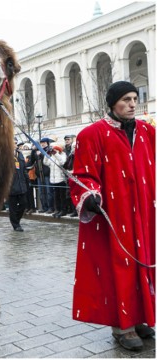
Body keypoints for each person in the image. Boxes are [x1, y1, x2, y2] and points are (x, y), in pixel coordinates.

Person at [69, 81, 155, 351]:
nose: (132, 104)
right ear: (112, 103)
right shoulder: (91, 134)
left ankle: (141, 318)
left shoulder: (148, 132)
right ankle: (122, 326)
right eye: (126, 99)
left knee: (144, 263)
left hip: (145, 212)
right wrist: (89, 194)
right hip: (115, 217)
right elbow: (83, 175)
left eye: (134, 98)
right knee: (121, 268)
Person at [8, 142, 28, 231]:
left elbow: (24, 169)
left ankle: (17, 220)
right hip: (11, 186)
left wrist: (27, 180)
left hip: (21, 184)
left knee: (23, 204)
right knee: (12, 207)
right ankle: (15, 225)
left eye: (15, 143)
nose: (15, 144)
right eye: (13, 143)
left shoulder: (20, 155)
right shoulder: (6, 155)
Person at [43, 143, 67, 218]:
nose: (54, 151)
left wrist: (55, 154)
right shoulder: (52, 157)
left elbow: (62, 162)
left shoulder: (63, 155)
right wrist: (47, 154)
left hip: (61, 179)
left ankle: (63, 210)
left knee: (62, 196)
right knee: (56, 196)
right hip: (54, 180)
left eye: (55, 149)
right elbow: (45, 162)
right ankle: (58, 209)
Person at [63, 134, 78, 216]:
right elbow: (66, 166)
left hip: (78, 178)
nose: (75, 149)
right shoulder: (71, 156)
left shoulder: (81, 155)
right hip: (71, 177)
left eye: (76, 147)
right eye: (74, 147)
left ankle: (78, 210)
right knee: (71, 194)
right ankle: (73, 210)